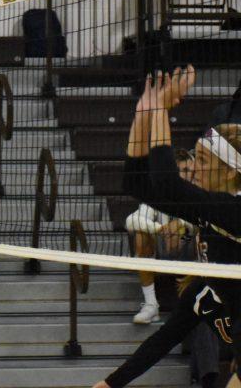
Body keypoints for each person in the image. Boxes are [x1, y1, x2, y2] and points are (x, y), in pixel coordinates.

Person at [93, 66, 241, 388]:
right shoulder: (207, 289)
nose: (195, 170)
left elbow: (167, 181)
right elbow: (136, 185)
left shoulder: (234, 210)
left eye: (202, 161)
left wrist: (161, 109)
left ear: (230, 173)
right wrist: (144, 115)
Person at [127, 149, 195, 324]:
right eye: (182, 171)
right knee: (142, 235)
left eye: (189, 171)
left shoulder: (199, 194)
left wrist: (181, 224)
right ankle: (151, 305)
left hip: (192, 253)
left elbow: (204, 221)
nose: (186, 175)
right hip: (164, 249)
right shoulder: (158, 194)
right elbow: (131, 220)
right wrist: (159, 229)